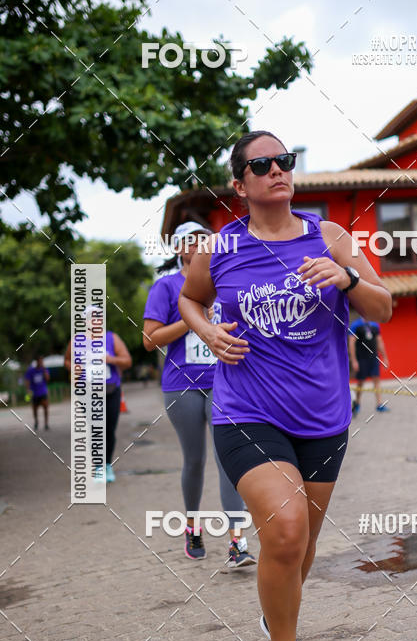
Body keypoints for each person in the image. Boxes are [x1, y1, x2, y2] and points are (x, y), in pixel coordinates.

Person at [179, 130, 392, 641]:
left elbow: (384, 306)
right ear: (240, 182)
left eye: (285, 161)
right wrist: (206, 331)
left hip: (324, 421)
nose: (278, 170)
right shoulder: (218, 248)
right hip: (247, 413)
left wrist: (348, 280)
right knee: (287, 527)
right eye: (263, 164)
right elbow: (190, 301)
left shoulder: (331, 237)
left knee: (300, 549)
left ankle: (277, 609)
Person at [143, 221, 256, 569]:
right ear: (178, 249)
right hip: (182, 386)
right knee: (195, 461)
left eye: (203, 240)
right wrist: (196, 319)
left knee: (229, 460)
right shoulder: (166, 287)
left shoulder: (223, 280)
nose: (198, 246)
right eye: (190, 242)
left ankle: (238, 541)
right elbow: (149, 340)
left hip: (225, 382)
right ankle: (192, 526)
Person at [65, 319, 132, 482]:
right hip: (87, 392)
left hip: (111, 391)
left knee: (109, 429)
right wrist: (73, 367)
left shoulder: (111, 338)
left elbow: (127, 361)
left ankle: (107, 464)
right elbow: (67, 360)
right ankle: (99, 467)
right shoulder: (76, 341)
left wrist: (111, 360)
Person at [348, 317, 390, 414]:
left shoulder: (375, 325)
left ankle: (379, 404)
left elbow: (379, 341)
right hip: (361, 358)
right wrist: (354, 360)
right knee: (361, 382)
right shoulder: (356, 325)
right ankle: (357, 403)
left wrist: (385, 357)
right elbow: (351, 343)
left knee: (376, 379)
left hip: (373, 358)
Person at [25, 357, 50, 430]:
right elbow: (27, 380)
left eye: (42, 361)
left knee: (45, 408)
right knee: (35, 410)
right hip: (34, 393)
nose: (41, 363)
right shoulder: (31, 371)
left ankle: (46, 424)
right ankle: (36, 422)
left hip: (43, 392)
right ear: (37, 362)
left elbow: (48, 379)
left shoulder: (44, 370)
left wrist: (44, 370)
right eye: (40, 361)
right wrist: (28, 389)